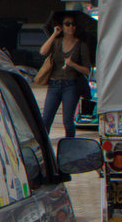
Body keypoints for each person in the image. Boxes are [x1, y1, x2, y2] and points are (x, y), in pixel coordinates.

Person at [39, 9, 92, 140]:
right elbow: (42, 51)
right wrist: (54, 34)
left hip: (71, 86)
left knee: (68, 122)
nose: (71, 27)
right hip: (54, 84)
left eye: (73, 24)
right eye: (67, 24)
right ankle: (43, 146)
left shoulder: (81, 45)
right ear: (62, 26)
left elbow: (87, 71)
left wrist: (73, 64)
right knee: (45, 120)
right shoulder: (57, 42)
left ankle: (69, 146)